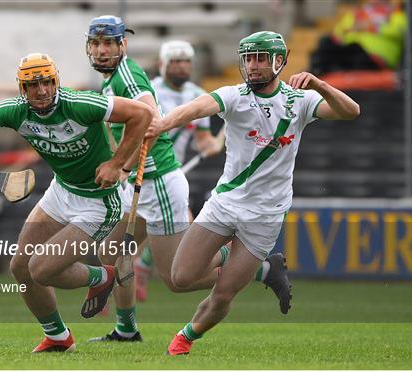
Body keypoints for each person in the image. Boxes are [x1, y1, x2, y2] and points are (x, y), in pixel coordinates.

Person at [0, 52, 152, 353]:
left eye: (47, 83)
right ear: (22, 88)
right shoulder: (15, 111)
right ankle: (58, 337)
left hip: (98, 201)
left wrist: (119, 164)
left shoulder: (80, 103)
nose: (41, 91)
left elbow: (142, 114)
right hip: (61, 192)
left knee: (42, 269)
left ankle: (103, 275)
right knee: (21, 267)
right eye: (32, 85)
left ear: (56, 82)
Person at [146, 31, 360, 355]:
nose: (253, 66)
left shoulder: (299, 101)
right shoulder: (234, 96)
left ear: (279, 60)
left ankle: (184, 339)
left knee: (224, 294)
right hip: (226, 203)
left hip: (266, 215)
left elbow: (351, 111)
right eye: (248, 59)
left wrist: (320, 84)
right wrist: (163, 124)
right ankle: (259, 266)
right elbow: (197, 107)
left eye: (260, 58)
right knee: (180, 276)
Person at [84, 16, 293, 343]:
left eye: (109, 43)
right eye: (96, 44)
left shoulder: (127, 76)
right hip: (143, 179)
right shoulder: (112, 79)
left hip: (161, 181)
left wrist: (119, 164)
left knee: (177, 279)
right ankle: (126, 330)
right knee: (112, 252)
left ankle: (259, 268)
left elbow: (149, 117)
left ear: (123, 44)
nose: (101, 51)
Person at [133, 40, 223, 302]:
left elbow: (204, 141)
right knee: (134, 240)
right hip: (145, 171)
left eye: (185, 62)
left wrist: (214, 144)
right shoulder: (150, 91)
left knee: (182, 232)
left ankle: (139, 268)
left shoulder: (199, 94)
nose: (181, 66)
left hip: (172, 175)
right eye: (175, 61)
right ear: (162, 64)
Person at [310, 0, 407, 76]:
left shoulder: (395, 14)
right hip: (353, 50)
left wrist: (373, 27)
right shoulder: (358, 14)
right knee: (326, 42)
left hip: (376, 58)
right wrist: (356, 29)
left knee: (353, 50)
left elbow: (401, 30)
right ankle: (315, 72)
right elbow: (339, 32)